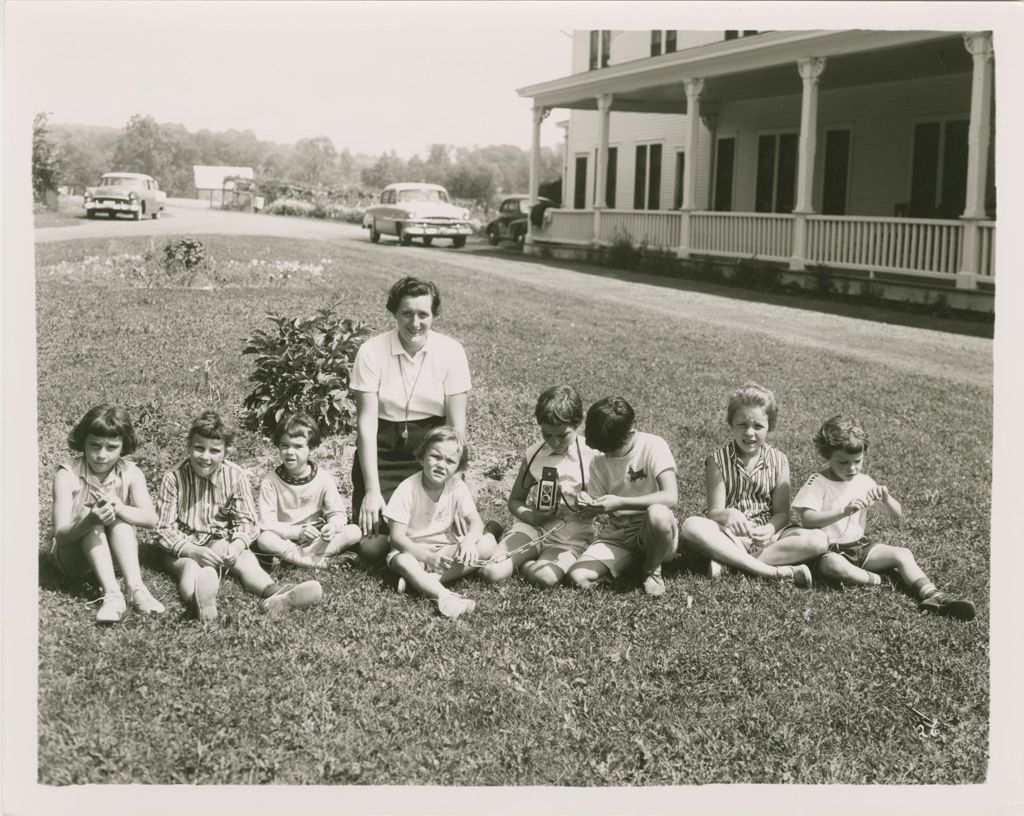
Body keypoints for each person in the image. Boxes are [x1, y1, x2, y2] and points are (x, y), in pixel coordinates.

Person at [786, 415, 976, 620]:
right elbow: (808, 520)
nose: (851, 468)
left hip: (860, 547)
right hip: (829, 551)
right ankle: (883, 580)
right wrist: (843, 511)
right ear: (828, 457)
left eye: (857, 461)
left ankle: (933, 594)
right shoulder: (818, 481)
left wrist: (887, 499)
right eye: (843, 462)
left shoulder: (863, 481)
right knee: (834, 566)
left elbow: (897, 517)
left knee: (902, 553)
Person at [154, 410, 322, 621]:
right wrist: (192, 550)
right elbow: (162, 529)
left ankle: (274, 594)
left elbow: (247, 522)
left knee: (245, 559)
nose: (205, 457)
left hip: (217, 540)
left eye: (214, 451)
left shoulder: (235, 476)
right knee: (190, 568)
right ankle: (199, 602)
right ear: (189, 446)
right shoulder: (173, 478)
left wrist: (237, 545)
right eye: (198, 448)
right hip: (181, 546)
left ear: (226, 452)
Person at [349, 277, 471, 562]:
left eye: (423, 314)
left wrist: (457, 487)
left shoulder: (451, 351)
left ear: (434, 315)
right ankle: (418, 557)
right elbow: (366, 425)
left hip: (432, 451)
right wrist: (371, 491)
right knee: (371, 546)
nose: (415, 323)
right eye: (407, 313)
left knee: (425, 531)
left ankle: (419, 556)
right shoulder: (371, 351)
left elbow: (456, 427)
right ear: (394, 313)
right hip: (383, 452)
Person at [678, 383, 814, 587]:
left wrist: (769, 528)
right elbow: (714, 512)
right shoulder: (717, 461)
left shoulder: (780, 461)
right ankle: (772, 572)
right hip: (730, 536)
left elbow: (782, 514)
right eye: (742, 425)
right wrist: (729, 514)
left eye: (758, 426)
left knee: (818, 539)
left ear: (770, 426)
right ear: (731, 424)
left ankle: (729, 562)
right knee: (691, 525)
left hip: (768, 539)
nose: (750, 433)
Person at [50, 405, 166, 622]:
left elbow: (152, 520)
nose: (101, 455)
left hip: (113, 557)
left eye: (111, 447)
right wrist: (90, 520)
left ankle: (135, 588)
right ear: (83, 442)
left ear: (123, 447)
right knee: (90, 512)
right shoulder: (67, 475)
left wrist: (120, 507)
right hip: (72, 559)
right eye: (94, 445)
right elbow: (61, 536)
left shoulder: (131, 472)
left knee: (119, 516)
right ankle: (112, 595)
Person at [480, 385, 595, 588]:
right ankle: (495, 534)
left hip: (569, 537)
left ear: (578, 422)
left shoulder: (592, 455)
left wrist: (590, 505)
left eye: (562, 435)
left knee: (545, 578)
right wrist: (534, 517)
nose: (554, 441)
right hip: (533, 528)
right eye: (547, 434)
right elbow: (515, 501)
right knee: (490, 572)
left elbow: (607, 501)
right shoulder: (534, 455)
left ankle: (527, 565)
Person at [565, 397, 679, 597]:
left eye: (613, 450)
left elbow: (671, 497)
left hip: (654, 531)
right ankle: (631, 562)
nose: (608, 456)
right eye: (603, 451)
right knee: (578, 576)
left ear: (631, 432)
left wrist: (621, 502)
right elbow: (591, 510)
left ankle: (652, 569)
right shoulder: (600, 461)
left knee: (658, 514)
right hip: (619, 533)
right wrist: (585, 502)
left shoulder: (653, 445)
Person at [384, 426, 501, 619]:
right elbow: (396, 538)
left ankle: (422, 582)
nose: (441, 465)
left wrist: (468, 541)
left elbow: (477, 524)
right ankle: (444, 595)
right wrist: (427, 558)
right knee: (404, 562)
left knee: (488, 545)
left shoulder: (457, 486)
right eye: (435, 457)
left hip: (443, 548)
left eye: (450, 461)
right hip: (410, 551)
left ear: (458, 467)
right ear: (422, 457)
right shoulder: (407, 489)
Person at [253, 413, 362, 568]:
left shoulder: (323, 478)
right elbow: (266, 523)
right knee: (265, 539)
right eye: (284, 445)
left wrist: (331, 527)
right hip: (286, 539)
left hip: (316, 539)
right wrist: (298, 532)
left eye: (298, 446)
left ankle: (296, 560)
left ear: (311, 448)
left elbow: (337, 514)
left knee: (354, 531)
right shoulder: (270, 481)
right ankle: (320, 563)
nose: (290, 452)